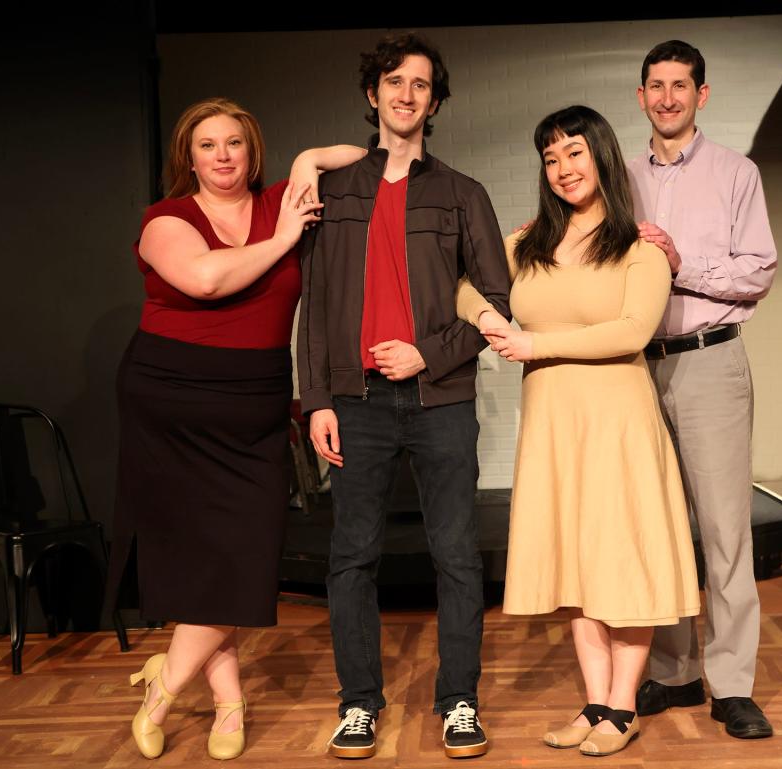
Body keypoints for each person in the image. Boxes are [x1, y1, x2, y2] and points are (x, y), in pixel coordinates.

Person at [107, 96, 365, 760]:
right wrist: (282, 239)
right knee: (205, 559)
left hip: (252, 405)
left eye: (235, 143)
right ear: (186, 159)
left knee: (243, 555)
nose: (223, 156)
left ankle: (162, 682)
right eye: (207, 145)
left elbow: (368, 156)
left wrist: (309, 157)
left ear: (253, 150)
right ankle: (228, 702)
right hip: (169, 403)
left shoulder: (283, 194)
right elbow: (204, 279)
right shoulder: (167, 218)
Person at [457, 104, 700, 758]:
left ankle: (623, 708)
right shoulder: (526, 244)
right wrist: (489, 319)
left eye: (574, 153)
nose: (563, 168)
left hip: (617, 420)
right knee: (576, 567)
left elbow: (632, 331)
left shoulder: (639, 246)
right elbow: (461, 287)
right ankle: (595, 703)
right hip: (554, 424)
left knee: (624, 563)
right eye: (551, 157)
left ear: (602, 157)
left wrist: (532, 339)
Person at [296, 33, 510, 759]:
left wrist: (430, 352)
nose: (406, 93)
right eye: (394, 81)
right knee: (352, 557)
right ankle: (358, 704)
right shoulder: (332, 190)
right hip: (353, 403)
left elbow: (497, 299)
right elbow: (315, 302)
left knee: (455, 555)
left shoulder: (462, 193)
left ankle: (458, 702)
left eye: (420, 84)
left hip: (440, 398)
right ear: (373, 94)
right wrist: (316, 399)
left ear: (435, 101)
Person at [628, 40, 778, 739]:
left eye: (679, 85)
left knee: (722, 529)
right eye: (655, 85)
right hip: (635, 365)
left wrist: (683, 268)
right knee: (657, 524)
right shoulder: (618, 177)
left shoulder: (735, 172)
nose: (667, 97)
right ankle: (673, 667)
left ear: (702, 94)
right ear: (640, 97)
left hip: (711, 360)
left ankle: (733, 681)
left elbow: (758, 272)